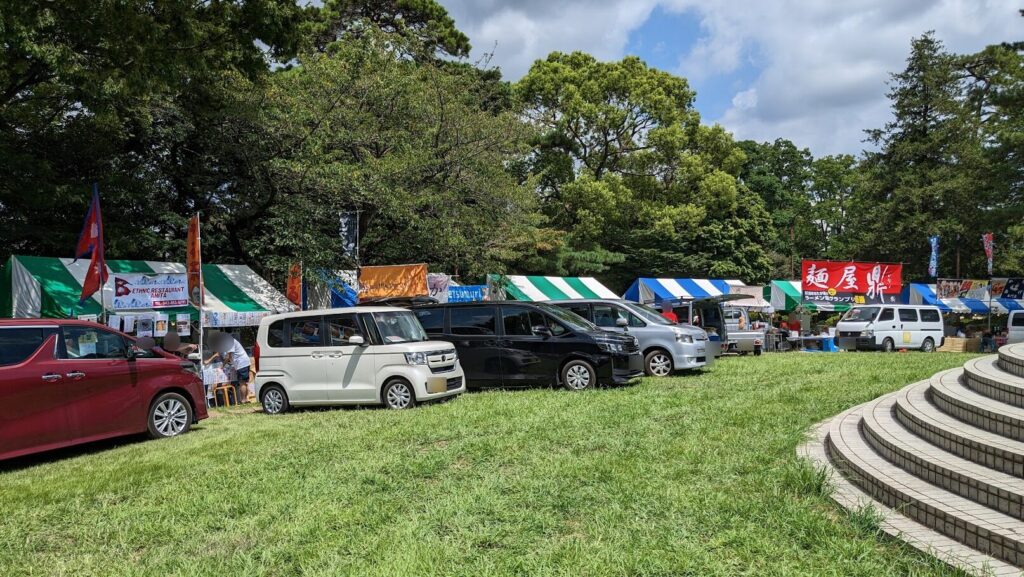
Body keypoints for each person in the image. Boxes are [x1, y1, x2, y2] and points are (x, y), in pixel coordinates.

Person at [214, 332, 252, 403]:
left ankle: (243, 400)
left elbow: (228, 356)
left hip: (241, 363)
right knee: (244, 382)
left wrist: (222, 366)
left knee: (242, 382)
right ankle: (246, 399)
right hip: (244, 362)